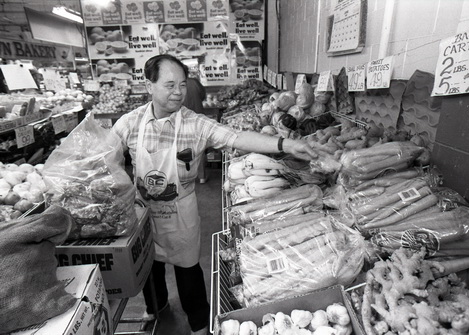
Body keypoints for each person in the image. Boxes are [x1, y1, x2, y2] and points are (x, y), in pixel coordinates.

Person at [112, 54, 317, 335]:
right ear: (150, 86)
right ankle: (157, 310)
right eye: (170, 85)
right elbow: (106, 155)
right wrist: (119, 185)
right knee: (150, 267)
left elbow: (236, 137)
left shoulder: (194, 124)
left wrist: (284, 144)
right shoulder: (129, 123)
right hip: (144, 212)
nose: (178, 92)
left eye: (182, 85)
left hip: (179, 213)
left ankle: (199, 325)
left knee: (188, 271)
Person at [183, 75, 208, 183]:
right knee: (200, 146)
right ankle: (202, 176)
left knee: (183, 147)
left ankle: (186, 176)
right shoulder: (194, 82)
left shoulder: (176, 85)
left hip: (182, 119)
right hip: (197, 118)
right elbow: (203, 96)